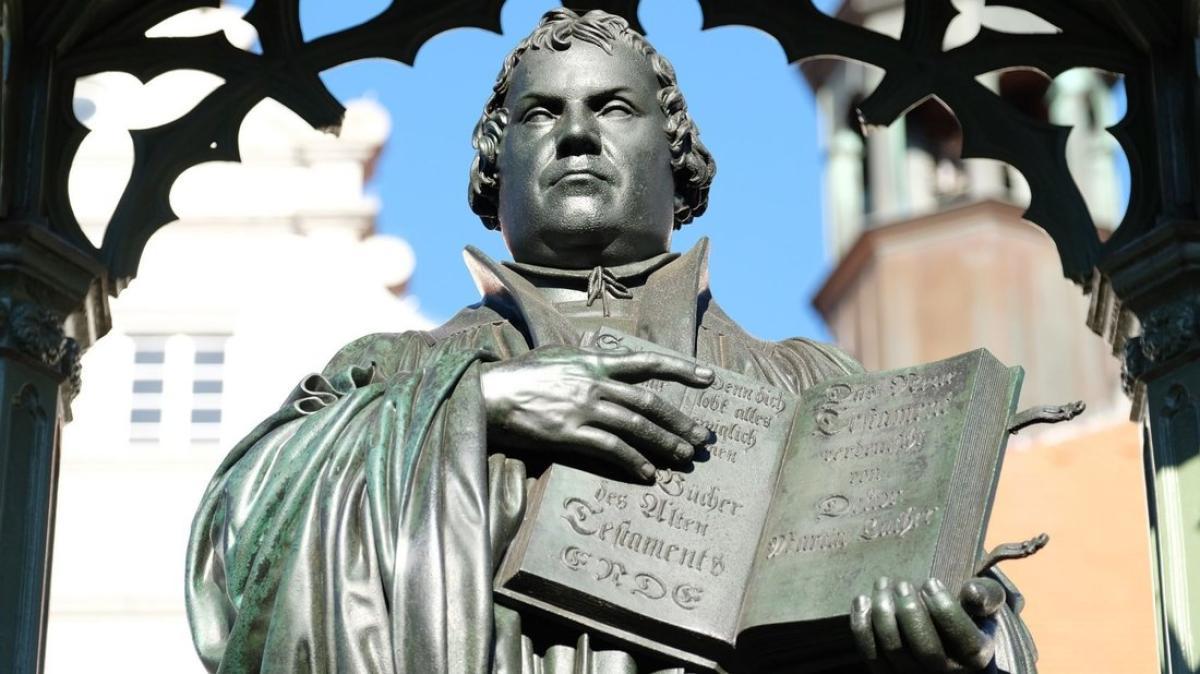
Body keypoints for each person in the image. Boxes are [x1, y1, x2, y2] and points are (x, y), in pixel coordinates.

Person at [185, 9, 1036, 673]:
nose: (576, 133)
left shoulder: (813, 391)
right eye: (539, 114)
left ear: (677, 155)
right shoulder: (393, 372)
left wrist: (961, 646)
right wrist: (473, 405)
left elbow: (988, 613)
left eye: (613, 107)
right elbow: (235, 555)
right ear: (496, 167)